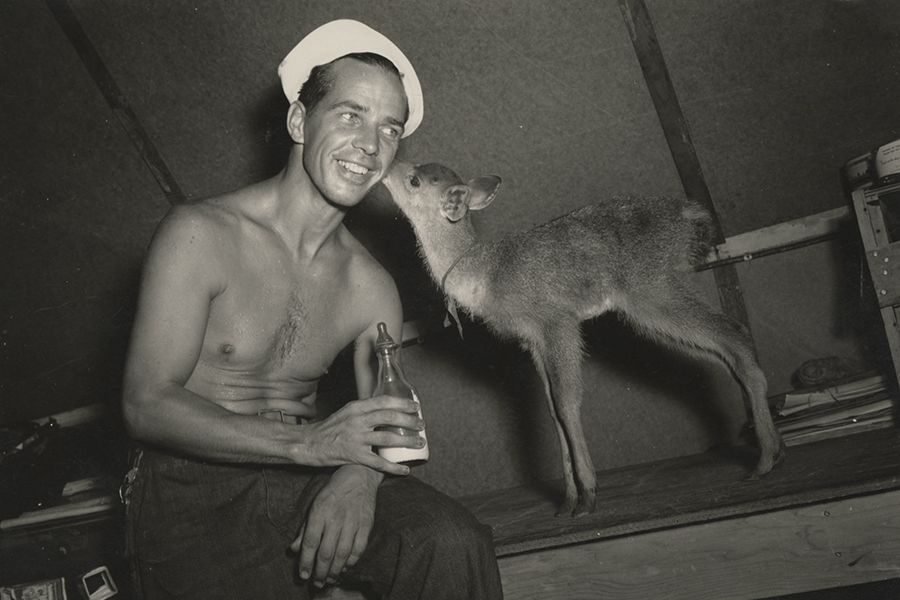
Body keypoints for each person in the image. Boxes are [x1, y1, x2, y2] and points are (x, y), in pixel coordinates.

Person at [121, 19, 503, 600]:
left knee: (449, 542)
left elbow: (393, 422)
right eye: (350, 115)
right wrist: (312, 445)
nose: (371, 145)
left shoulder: (370, 283)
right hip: (191, 480)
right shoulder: (200, 233)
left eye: (390, 129)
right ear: (300, 120)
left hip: (310, 470)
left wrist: (357, 477)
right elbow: (145, 405)